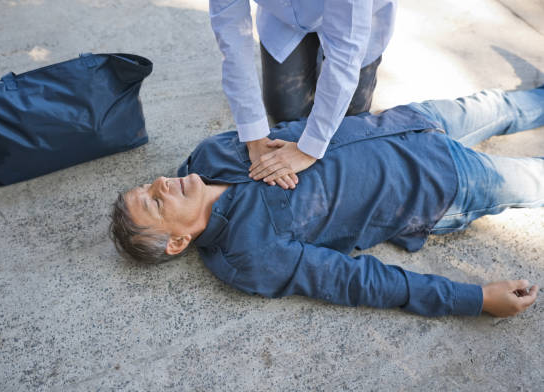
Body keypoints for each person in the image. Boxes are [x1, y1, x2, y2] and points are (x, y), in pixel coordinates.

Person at [109, 86, 544, 318]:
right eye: (154, 202)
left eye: (149, 185)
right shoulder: (249, 256)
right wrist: (475, 299)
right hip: (441, 184)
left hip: (409, 122)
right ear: (176, 242)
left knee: (502, 103)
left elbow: (297, 127)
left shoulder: (209, 155)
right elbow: (357, 282)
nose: (163, 183)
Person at [207, 0, 397, 189]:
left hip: (357, 21)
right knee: (286, 113)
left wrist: (310, 148)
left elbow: (346, 49)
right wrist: (253, 136)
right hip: (284, 18)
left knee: (349, 124)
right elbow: (230, 27)